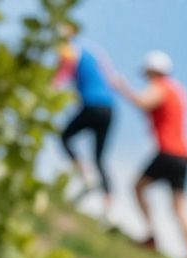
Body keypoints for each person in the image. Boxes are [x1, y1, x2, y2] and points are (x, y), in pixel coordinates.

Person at [112, 51, 187, 258]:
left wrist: (122, 87)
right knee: (179, 209)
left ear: (153, 71)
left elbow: (143, 102)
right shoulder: (179, 92)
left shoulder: (161, 87)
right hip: (183, 155)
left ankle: (151, 235)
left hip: (167, 152)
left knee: (137, 187)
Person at [53, 23, 116, 214]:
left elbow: (61, 77)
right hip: (109, 108)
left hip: (91, 105)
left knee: (65, 137)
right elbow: (110, 77)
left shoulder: (68, 51)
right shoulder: (93, 51)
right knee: (100, 158)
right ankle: (108, 210)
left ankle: (86, 176)